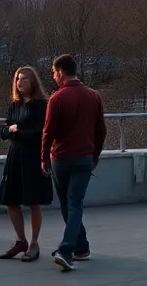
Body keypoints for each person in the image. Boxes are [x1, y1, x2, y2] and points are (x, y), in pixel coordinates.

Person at [40, 54, 106, 272]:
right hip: (85, 157)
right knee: (74, 203)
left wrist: (43, 158)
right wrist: (95, 155)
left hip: (61, 158)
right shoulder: (93, 96)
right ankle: (81, 247)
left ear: (60, 72)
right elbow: (101, 130)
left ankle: (66, 250)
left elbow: (48, 132)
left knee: (69, 205)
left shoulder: (57, 98)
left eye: (53, 72)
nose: (53, 77)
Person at [0, 66, 53, 262]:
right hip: (15, 156)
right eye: (17, 78)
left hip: (33, 156)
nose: (19, 82)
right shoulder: (15, 105)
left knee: (34, 201)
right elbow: (3, 131)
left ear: (32, 81)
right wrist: (10, 131)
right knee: (10, 200)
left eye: (24, 78)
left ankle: (34, 243)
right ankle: (21, 240)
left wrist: (15, 132)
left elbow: (39, 133)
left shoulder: (42, 105)